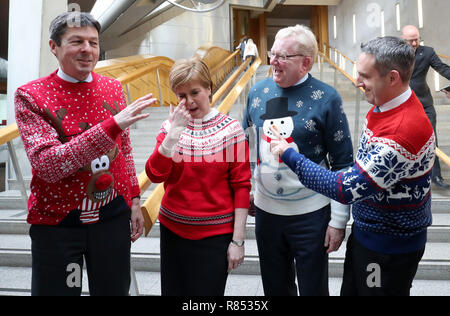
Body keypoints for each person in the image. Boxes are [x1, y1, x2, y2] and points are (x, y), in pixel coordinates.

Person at [270, 36, 435, 296]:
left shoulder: (403, 131)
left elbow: (345, 187)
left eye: (365, 76)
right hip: (369, 236)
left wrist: (291, 155)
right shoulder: (384, 105)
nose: (357, 82)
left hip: (387, 250)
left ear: (392, 78)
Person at [14, 12, 156, 296]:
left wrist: (135, 199)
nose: (87, 50)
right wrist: (112, 125)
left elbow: (124, 150)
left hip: (111, 220)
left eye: (93, 42)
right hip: (58, 224)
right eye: (76, 41)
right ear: (54, 47)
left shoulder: (113, 88)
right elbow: (48, 164)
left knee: (113, 290)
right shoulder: (31, 95)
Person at [242, 24, 354, 296]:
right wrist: (247, 189)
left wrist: (338, 221)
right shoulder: (257, 92)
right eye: (272, 53)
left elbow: (342, 162)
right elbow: (246, 145)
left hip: (312, 214)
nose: (273, 61)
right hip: (267, 213)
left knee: (313, 288)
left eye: (282, 56)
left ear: (305, 62)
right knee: (274, 286)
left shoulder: (327, 97)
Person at [145, 57, 251, 296]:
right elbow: (154, 174)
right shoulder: (170, 127)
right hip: (173, 231)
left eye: (195, 92)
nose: (189, 101)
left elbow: (242, 187)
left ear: (209, 89)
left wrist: (238, 241)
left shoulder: (230, 129)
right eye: (181, 95)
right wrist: (172, 135)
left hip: (215, 235)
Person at [402, 25, 450, 189]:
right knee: (406, 141)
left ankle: (436, 176)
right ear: (403, 39)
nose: (414, 43)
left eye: (416, 39)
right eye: (410, 40)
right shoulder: (395, 54)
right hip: (403, 105)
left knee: (432, 139)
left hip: (424, 103)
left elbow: (442, 68)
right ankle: (409, 176)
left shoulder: (427, 52)